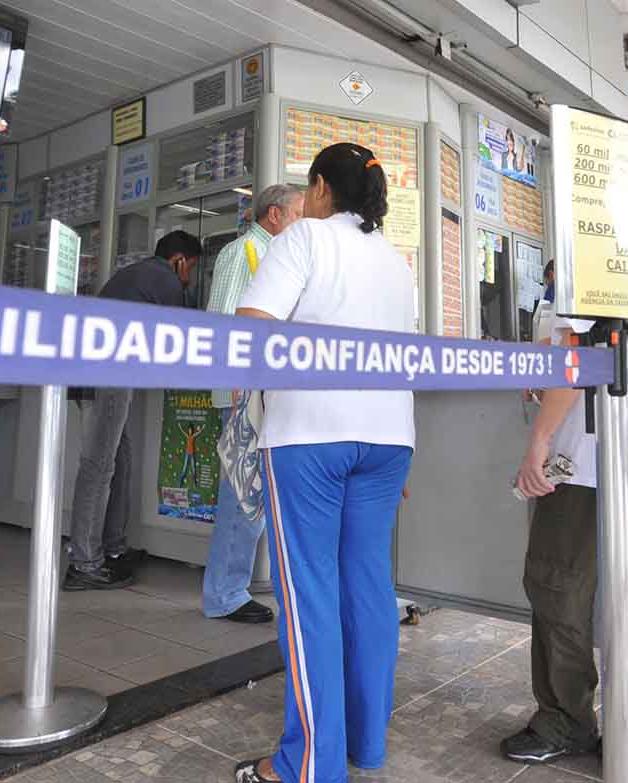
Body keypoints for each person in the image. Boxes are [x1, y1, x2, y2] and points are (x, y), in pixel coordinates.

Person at [230, 143, 415, 783]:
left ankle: (308, 765)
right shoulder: (396, 261)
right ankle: (365, 746)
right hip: (390, 439)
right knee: (367, 588)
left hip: (311, 435)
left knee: (309, 593)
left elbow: (252, 326)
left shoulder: (304, 239)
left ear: (318, 189)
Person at [499, 204, 628, 768]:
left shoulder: (601, 258)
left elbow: (582, 358)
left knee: (557, 581)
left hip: (590, 455)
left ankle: (565, 719)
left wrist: (539, 439)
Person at [63, 230, 202, 591]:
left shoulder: (135, 276)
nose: (188, 279)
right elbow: (182, 339)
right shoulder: (164, 279)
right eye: (191, 270)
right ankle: (84, 564)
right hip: (107, 377)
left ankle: (111, 549)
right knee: (98, 467)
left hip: (96, 375)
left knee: (117, 461)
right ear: (180, 261)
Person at [202, 183, 303, 625]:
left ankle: (231, 587)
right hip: (245, 394)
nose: (307, 222)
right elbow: (223, 320)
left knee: (254, 495)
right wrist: (237, 382)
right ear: (275, 215)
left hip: (269, 393)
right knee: (242, 496)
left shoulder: (281, 258)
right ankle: (225, 594)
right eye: (300, 213)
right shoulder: (241, 252)